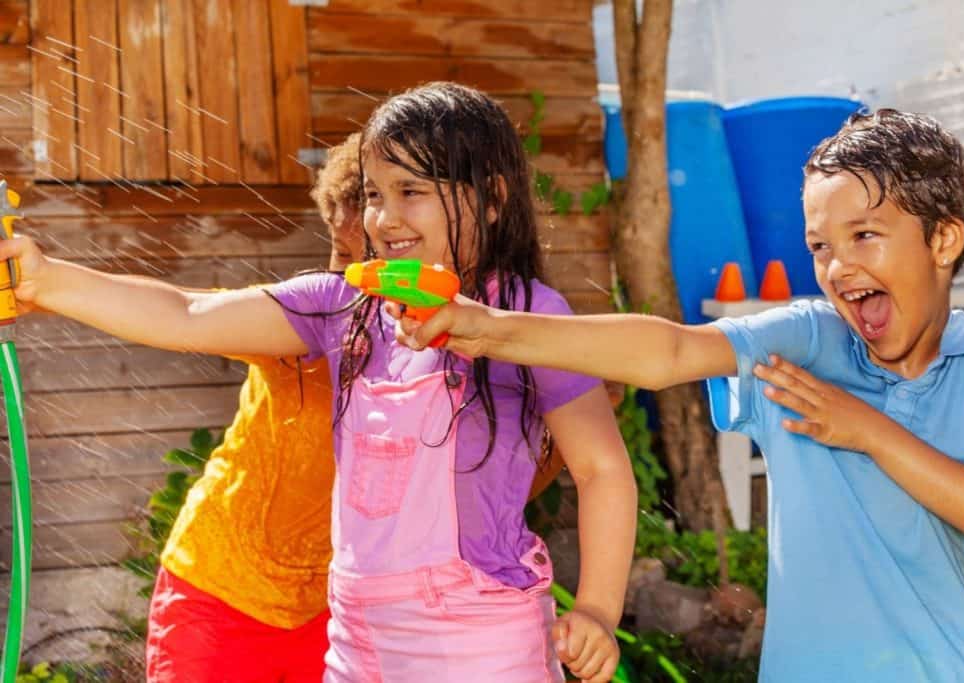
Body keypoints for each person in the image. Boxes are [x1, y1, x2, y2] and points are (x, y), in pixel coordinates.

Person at [7, 82, 635, 683]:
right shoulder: (342, 309)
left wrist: (599, 611)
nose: (384, 218)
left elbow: (602, 468)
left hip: (478, 645)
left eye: (411, 190)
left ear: (492, 199)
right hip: (357, 644)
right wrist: (47, 280)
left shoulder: (528, 316)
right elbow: (185, 312)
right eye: (373, 194)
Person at [395, 109, 964, 682]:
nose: (837, 267)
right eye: (820, 246)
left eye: (864, 235)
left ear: (943, 241)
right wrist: (491, 328)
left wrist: (864, 429)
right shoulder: (807, 340)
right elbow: (669, 352)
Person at [146, 133, 364, 682]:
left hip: (332, 605)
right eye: (342, 254)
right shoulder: (305, 317)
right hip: (221, 592)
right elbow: (185, 314)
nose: (356, 281)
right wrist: (47, 283)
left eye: (378, 262)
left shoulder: (435, 343)